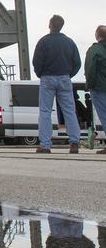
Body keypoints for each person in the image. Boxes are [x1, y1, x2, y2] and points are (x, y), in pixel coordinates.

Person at [32, 14, 81, 154]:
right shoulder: (70, 42)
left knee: (45, 111)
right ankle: (74, 142)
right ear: (61, 26)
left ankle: (46, 145)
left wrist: (40, 73)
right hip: (64, 77)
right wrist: (68, 74)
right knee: (69, 111)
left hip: (47, 78)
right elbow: (77, 63)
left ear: (50, 25)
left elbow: (36, 62)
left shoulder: (43, 42)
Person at [84, 24, 106, 155]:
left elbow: (90, 69)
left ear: (97, 35)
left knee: (104, 115)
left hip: (99, 87)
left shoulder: (95, 50)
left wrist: (89, 85)